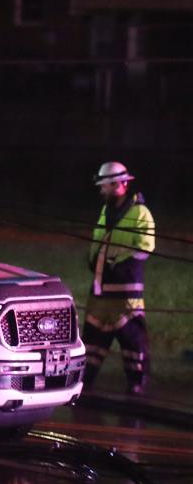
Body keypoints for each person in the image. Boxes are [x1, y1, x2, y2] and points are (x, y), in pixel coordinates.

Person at [82, 161, 155, 395]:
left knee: (131, 336)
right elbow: (99, 240)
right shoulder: (107, 210)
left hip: (125, 289)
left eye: (105, 186)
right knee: (93, 336)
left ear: (118, 184)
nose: (101, 190)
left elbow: (145, 246)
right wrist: (93, 261)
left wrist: (119, 263)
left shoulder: (139, 212)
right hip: (102, 286)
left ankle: (137, 383)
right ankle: (85, 381)